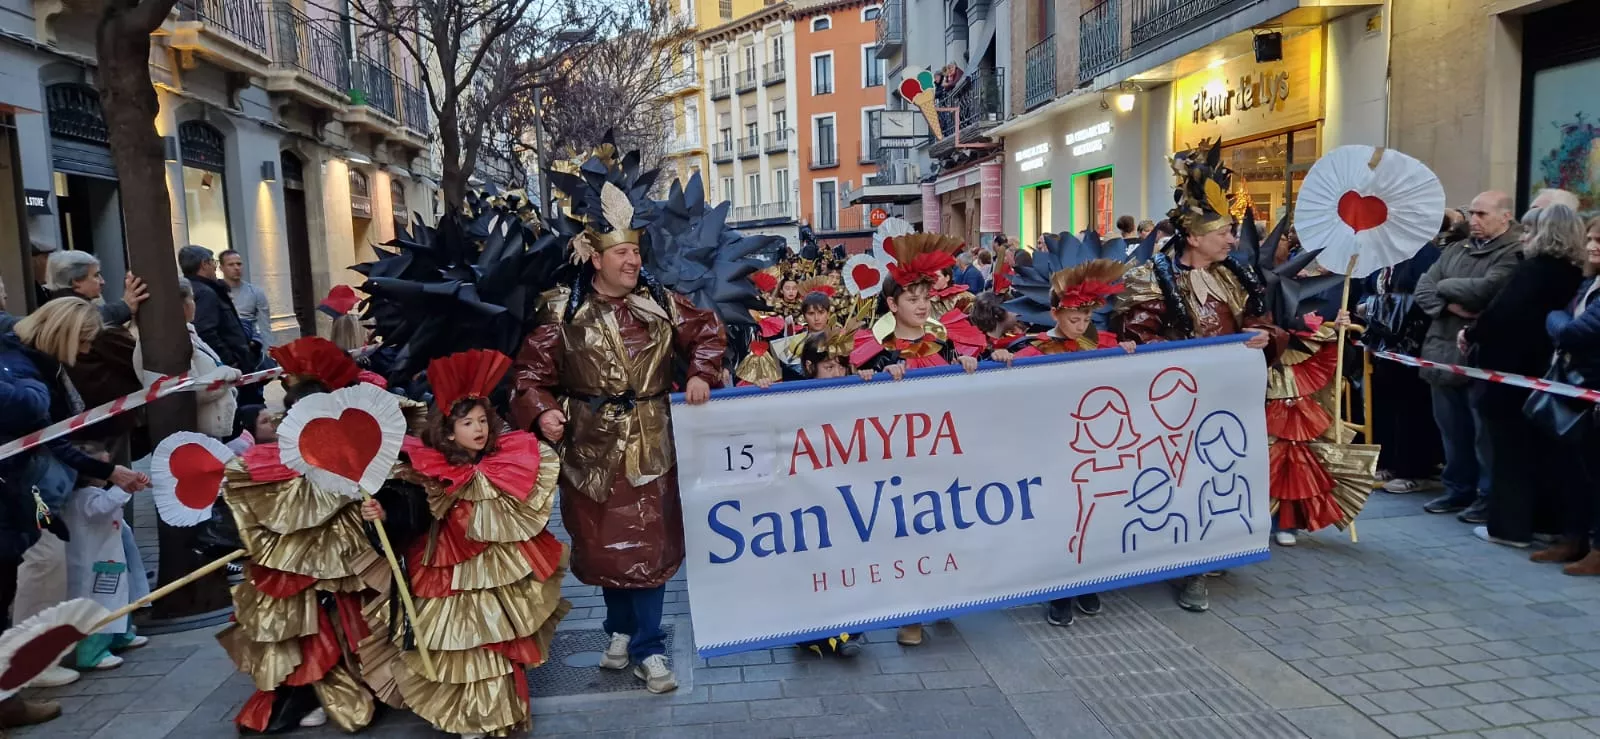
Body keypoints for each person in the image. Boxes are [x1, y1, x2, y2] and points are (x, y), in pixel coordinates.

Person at [512, 155, 727, 695]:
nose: (633, 260)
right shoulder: (564, 311)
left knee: (648, 547)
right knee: (603, 544)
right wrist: (543, 409)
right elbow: (530, 374)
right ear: (595, 258)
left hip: (652, 438)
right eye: (622, 252)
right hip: (589, 441)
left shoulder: (659, 303)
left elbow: (707, 333)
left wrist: (701, 373)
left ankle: (650, 648)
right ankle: (620, 629)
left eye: (636, 251)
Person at [1115, 140, 1286, 613]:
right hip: (1172, 406)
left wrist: (1261, 339)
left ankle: (1209, 550)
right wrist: (1182, 362)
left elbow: (1263, 323)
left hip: (1228, 400)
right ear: (1193, 236)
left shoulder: (1236, 277)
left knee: (1221, 478)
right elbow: (1135, 339)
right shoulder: (1150, 278)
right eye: (1226, 231)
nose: (1234, 240)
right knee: (1177, 481)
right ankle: (1183, 564)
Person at [368, 350, 569, 738]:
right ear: (447, 430)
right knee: (461, 640)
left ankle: (499, 711)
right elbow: (410, 511)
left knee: (497, 637)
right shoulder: (426, 466)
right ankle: (471, 718)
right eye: (467, 423)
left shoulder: (504, 458)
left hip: (497, 565)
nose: (478, 429)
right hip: (448, 566)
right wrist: (383, 515)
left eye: (482, 421)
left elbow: (524, 505)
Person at [215, 336, 401, 732]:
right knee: (302, 627)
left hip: (345, 561)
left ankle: (348, 687)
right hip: (294, 572)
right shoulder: (266, 463)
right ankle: (307, 692)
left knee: (352, 621)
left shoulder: (351, 450)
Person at [0, 299, 149, 699]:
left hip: (29, 479)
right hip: (20, 482)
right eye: (82, 342)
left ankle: (31, 656)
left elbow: (51, 434)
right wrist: (104, 470)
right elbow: (49, 433)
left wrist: (105, 471)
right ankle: (26, 660)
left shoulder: (34, 358)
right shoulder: (26, 365)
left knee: (45, 561)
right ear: (62, 334)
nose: (85, 352)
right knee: (43, 560)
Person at [848, 233, 980, 647]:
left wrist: (977, 363)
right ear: (892, 305)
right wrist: (868, 378)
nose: (922, 305)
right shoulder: (873, 347)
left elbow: (977, 383)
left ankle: (938, 601)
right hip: (896, 460)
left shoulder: (947, 338)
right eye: (912, 298)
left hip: (939, 452)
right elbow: (844, 397)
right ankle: (911, 615)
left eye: (926, 297)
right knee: (906, 534)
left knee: (941, 528)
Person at [1465, 203, 1586, 548]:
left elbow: (1500, 315)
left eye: (1530, 231)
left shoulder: (1531, 271)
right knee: (1546, 452)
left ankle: (1509, 528)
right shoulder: (1575, 273)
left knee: (1510, 452)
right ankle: (1547, 523)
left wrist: (1472, 333)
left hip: (1512, 373)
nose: (1525, 238)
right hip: (1547, 375)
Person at [1413, 191, 1522, 523]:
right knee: (1452, 430)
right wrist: (1445, 304)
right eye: (1472, 213)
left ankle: (1486, 495)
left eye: (1482, 214)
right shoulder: (1455, 249)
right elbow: (1422, 287)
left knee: (1482, 434)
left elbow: (1487, 289)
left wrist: (1444, 286)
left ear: (1505, 217)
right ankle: (1457, 489)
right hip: (1441, 350)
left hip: (1480, 356)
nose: (1474, 219)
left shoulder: (1513, 252)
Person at [1365, 210, 1457, 494]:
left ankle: (1413, 467)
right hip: (1385, 343)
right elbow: (1370, 285)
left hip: (1411, 342)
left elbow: (1420, 297)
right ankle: (1389, 459)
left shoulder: (1425, 255)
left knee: (1410, 407)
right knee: (1387, 403)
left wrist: (1375, 307)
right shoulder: (1384, 256)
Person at [1541, 215, 1600, 574]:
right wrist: (1559, 321)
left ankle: (1596, 547)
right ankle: (1573, 538)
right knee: (1574, 472)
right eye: (1591, 238)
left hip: (1594, 389)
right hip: (1575, 389)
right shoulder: (1588, 283)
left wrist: (1553, 320)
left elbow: (1575, 331)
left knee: (1595, 475)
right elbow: (1567, 321)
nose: (1593, 246)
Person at [62, 441, 150, 671]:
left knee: (119, 598)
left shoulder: (91, 494)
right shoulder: (82, 498)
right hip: (92, 565)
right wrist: (125, 487)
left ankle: (121, 636)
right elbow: (102, 507)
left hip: (108, 560)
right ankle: (92, 653)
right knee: (99, 604)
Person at [133, 277, 240, 439]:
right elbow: (186, 392)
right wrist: (225, 376)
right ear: (182, 305)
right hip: (192, 430)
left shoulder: (188, 332)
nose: (194, 304)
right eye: (192, 298)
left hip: (208, 426)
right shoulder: (168, 340)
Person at [178, 245, 252, 372]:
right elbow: (206, 332)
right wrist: (230, 362)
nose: (215, 266)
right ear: (204, 264)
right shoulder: (206, 292)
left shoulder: (194, 288)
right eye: (213, 261)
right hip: (229, 369)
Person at [45, 250, 147, 327]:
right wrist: (125, 306)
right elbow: (91, 319)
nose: (102, 282)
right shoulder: (69, 313)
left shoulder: (56, 307)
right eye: (96, 275)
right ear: (76, 281)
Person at [220, 249, 271, 344]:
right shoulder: (215, 291)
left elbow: (264, 325)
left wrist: (269, 350)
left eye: (239, 264)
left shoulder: (255, 292)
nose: (236, 268)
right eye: (231, 265)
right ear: (221, 268)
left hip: (250, 343)